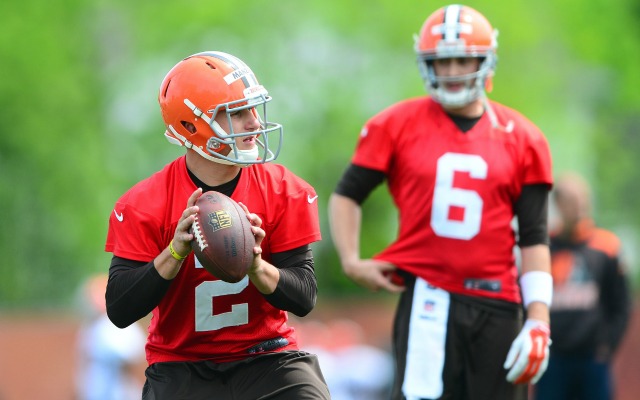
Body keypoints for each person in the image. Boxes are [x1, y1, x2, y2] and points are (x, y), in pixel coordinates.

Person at [328, 4, 554, 400]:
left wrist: (539, 318)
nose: (451, 71)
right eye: (441, 60)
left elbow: (534, 238)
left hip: (498, 302)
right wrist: (350, 259)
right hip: (427, 296)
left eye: (461, 59)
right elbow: (347, 194)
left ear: (485, 60)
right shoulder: (395, 125)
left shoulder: (524, 137)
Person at [104, 51, 330, 400]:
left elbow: (304, 298)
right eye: (236, 113)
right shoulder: (144, 204)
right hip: (182, 365)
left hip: (266, 357)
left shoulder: (284, 190)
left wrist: (256, 264)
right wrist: (174, 253)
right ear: (192, 126)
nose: (254, 123)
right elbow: (120, 310)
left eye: (253, 109)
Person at [534, 172, 631, 400]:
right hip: (554, 358)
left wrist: (607, 346)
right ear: (558, 204)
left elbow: (621, 304)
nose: (578, 207)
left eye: (582, 200)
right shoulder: (544, 249)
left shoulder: (606, 246)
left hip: (592, 359)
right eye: (571, 200)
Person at [75, 274, 147, 400]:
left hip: (118, 391)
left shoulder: (118, 323)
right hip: (95, 392)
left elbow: (135, 350)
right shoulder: (90, 327)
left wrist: (111, 355)